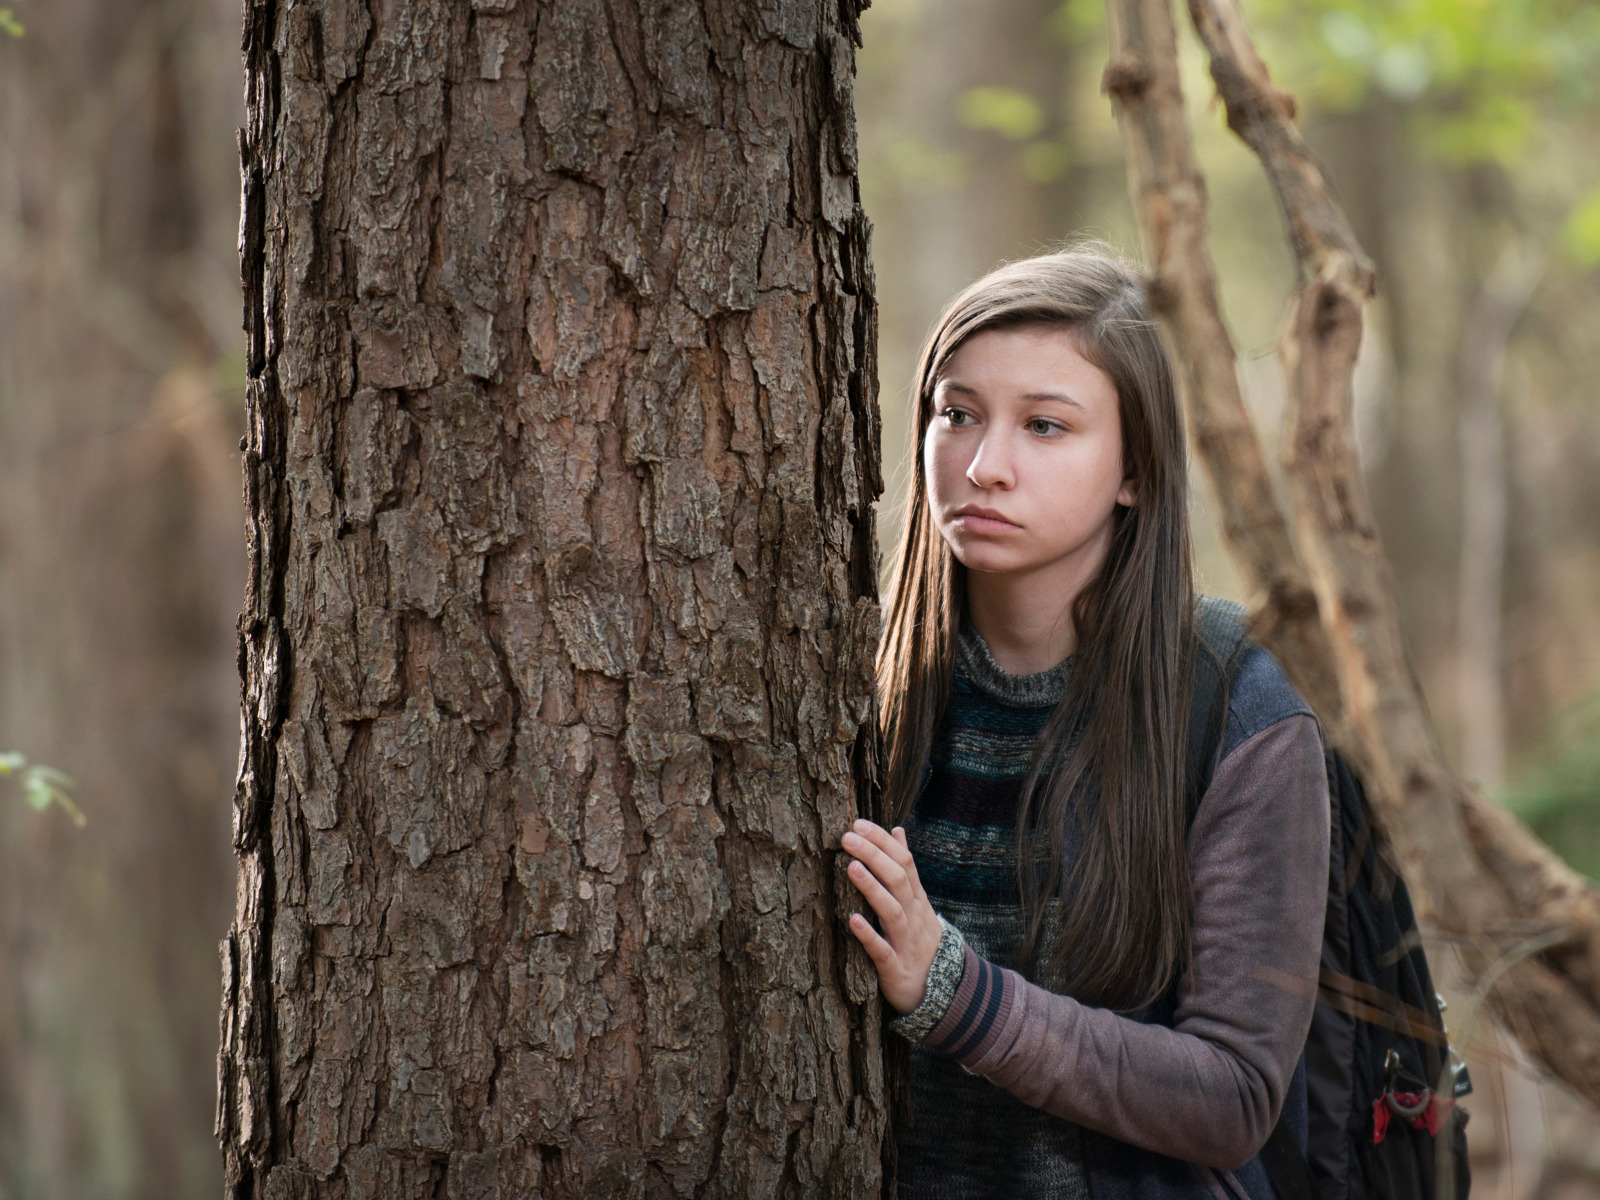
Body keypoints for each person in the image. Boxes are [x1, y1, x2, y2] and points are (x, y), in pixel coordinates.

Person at [841, 246, 1330, 1200]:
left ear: (1135, 472)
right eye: (958, 414)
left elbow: (1231, 1099)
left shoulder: (1237, 707)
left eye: (1046, 427)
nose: (985, 467)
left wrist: (958, 995)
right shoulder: (857, 679)